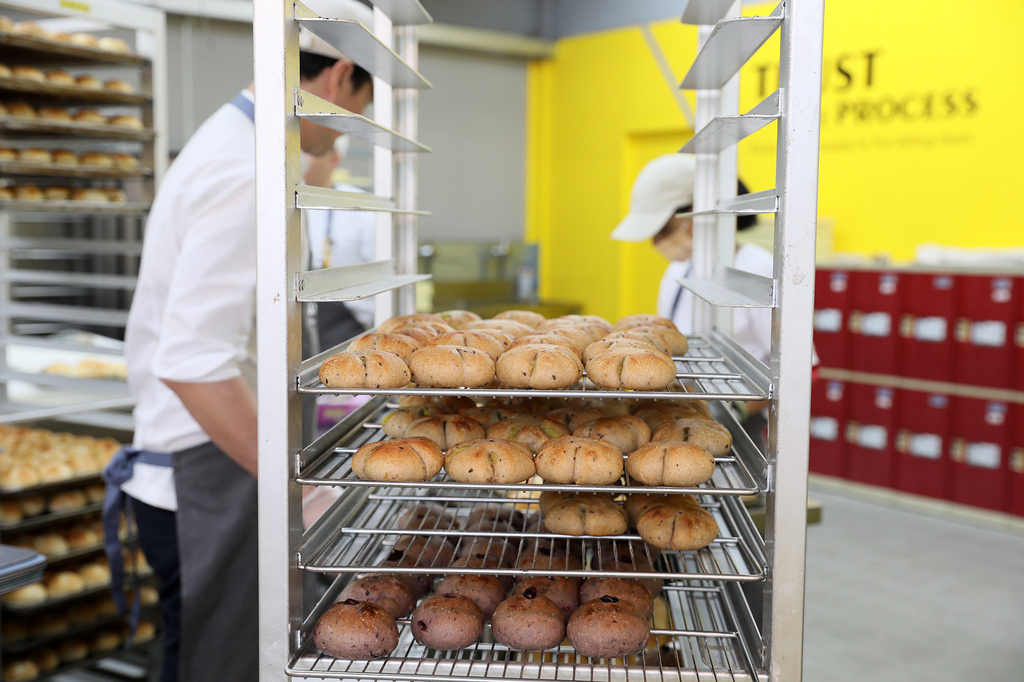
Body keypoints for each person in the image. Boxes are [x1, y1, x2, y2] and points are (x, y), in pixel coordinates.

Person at [101, 2, 374, 681]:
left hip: (221, 467)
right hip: (210, 479)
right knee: (215, 668)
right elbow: (193, 363)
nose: (350, 133)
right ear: (337, 76)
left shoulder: (241, 146)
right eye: (361, 107)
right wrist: (296, 489)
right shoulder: (247, 169)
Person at [610, 153, 776, 442]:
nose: (657, 242)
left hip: (742, 426)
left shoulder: (759, 270)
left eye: (664, 229)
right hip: (681, 416)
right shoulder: (678, 271)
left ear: (699, 212)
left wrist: (732, 409)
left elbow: (800, 373)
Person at [303, 138, 376, 350]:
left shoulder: (359, 207)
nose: (299, 159)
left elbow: (382, 281)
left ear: (335, 157)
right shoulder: (274, 206)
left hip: (348, 332)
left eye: (310, 151)